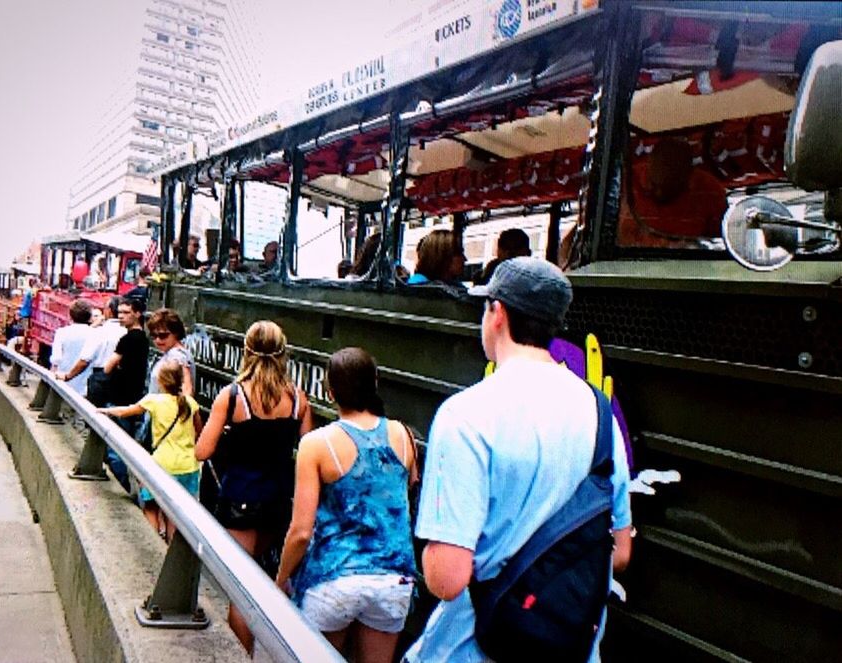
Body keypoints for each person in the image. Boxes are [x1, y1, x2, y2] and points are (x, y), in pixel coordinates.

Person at [404, 257, 632, 663]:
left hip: (475, 648)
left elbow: (447, 579)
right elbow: (619, 552)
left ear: (498, 313)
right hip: (571, 648)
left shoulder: (466, 415)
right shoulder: (601, 416)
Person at [276, 347, 417, 663]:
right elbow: (403, 494)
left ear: (330, 391)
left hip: (333, 579)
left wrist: (281, 577)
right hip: (393, 581)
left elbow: (300, 531)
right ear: (375, 383)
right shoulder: (403, 435)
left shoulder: (316, 444)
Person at [195, 320, 313, 654]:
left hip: (240, 500)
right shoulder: (298, 399)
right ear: (283, 352)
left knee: (241, 590)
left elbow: (202, 451)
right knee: (266, 582)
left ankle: (243, 656)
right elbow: (306, 451)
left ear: (246, 351)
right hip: (279, 502)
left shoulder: (233, 395)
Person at [99, 360, 203, 541]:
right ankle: (171, 549)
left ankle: (154, 545)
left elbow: (126, 412)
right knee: (176, 514)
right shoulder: (190, 403)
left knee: (151, 506)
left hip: (162, 465)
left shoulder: (154, 400)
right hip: (188, 466)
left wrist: (103, 411)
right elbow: (199, 432)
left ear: (161, 381)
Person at [616, 137, 728, 248]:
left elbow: (720, 244)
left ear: (688, 176)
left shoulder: (710, 192)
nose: (659, 193)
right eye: (654, 185)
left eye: (669, 187)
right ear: (649, 164)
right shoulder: (624, 181)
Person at [101, 297, 150, 490]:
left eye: (125, 313)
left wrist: (118, 365)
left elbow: (107, 367)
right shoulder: (144, 339)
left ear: (137, 314)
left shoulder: (128, 338)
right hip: (134, 398)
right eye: (119, 312)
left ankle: (124, 487)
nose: (120, 317)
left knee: (115, 448)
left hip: (119, 399)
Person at [50, 299, 94, 396]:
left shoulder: (61, 332)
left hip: (63, 380)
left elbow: (56, 359)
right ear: (90, 316)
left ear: (70, 315)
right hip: (85, 385)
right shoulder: (95, 334)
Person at [147, 308, 194, 396]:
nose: (157, 340)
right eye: (153, 335)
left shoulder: (178, 356)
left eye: (163, 335)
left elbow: (187, 389)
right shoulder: (172, 353)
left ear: (176, 333)